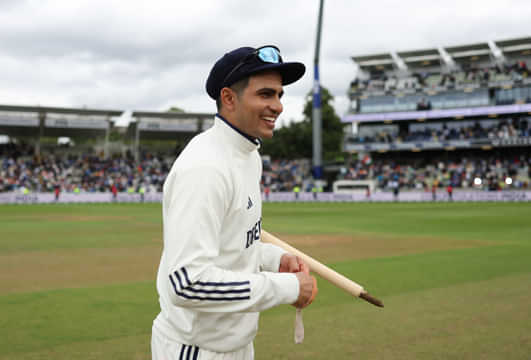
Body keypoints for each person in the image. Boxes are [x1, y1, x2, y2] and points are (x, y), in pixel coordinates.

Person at [152, 45, 318, 360]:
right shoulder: (205, 167)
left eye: (279, 95)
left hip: (237, 346)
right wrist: (287, 287)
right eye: (266, 94)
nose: (278, 106)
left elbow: (232, 245)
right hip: (197, 350)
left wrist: (274, 259)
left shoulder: (248, 155)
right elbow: (186, 282)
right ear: (229, 98)